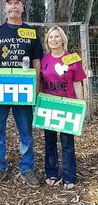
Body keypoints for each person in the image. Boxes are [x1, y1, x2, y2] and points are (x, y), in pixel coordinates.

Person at [0, 0, 43, 188]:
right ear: (5, 9)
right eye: (10, 4)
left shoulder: (31, 32)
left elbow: (36, 61)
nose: (13, 7)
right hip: (1, 88)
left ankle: (27, 168)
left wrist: (36, 87)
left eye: (17, 3)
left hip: (24, 89)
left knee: (25, 130)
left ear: (22, 8)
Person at [41, 25, 86, 189]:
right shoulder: (44, 59)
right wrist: (38, 103)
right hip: (48, 104)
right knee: (50, 141)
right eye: (50, 37)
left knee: (67, 143)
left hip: (67, 105)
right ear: (47, 41)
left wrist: (81, 105)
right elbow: (41, 82)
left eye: (56, 37)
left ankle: (69, 176)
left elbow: (77, 83)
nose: (53, 40)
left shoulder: (72, 59)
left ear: (62, 40)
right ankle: (51, 172)